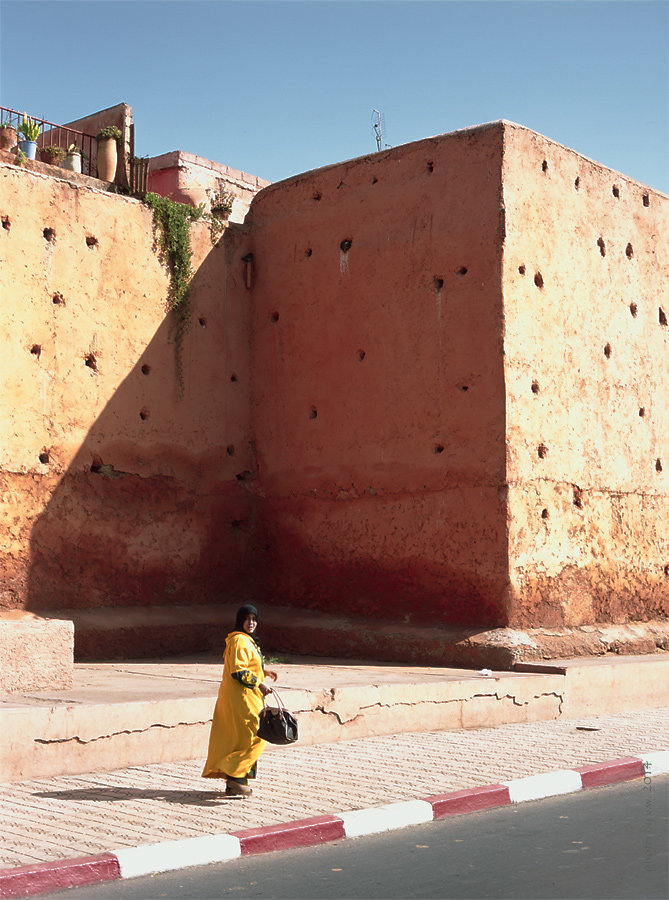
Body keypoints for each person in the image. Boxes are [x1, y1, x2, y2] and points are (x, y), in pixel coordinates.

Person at [202, 603, 277, 797]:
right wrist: (259, 683)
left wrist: (263, 672)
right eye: (247, 619)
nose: (251, 623)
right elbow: (238, 670)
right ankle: (234, 775)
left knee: (242, 738)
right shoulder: (239, 641)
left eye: (254, 619)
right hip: (241, 697)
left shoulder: (246, 640)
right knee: (258, 735)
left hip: (247, 696)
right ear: (240, 620)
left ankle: (235, 783)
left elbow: (246, 664)